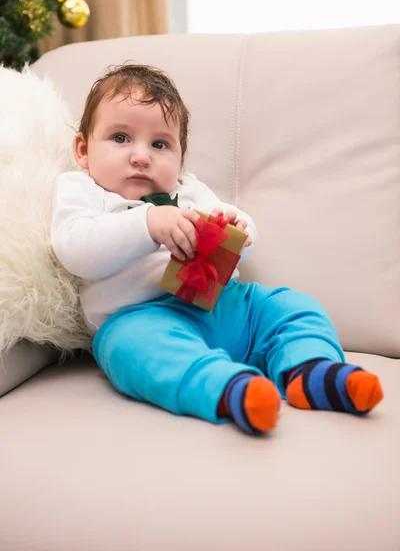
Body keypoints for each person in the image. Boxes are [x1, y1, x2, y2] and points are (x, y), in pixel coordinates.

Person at [50, 63, 383, 435]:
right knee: (132, 352)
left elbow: (238, 232)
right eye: (121, 138)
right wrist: (147, 224)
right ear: (83, 149)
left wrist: (238, 228)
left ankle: (312, 371)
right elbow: (74, 248)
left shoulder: (190, 191)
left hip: (228, 306)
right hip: (142, 318)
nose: (141, 156)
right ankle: (230, 388)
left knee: (294, 306)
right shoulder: (82, 191)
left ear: (179, 159)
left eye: (160, 144)